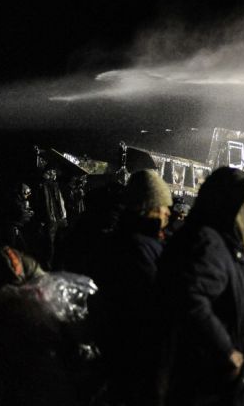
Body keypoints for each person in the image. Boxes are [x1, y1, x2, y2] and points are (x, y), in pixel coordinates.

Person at [157, 167, 244, 406]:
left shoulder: (218, 242)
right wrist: (226, 353)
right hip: (215, 390)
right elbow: (188, 298)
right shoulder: (207, 243)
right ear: (229, 203)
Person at [89, 169, 172, 405]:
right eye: (163, 205)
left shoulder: (138, 240)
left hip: (132, 353)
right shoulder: (135, 247)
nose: (168, 211)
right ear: (148, 207)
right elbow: (153, 300)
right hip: (139, 356)